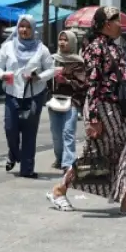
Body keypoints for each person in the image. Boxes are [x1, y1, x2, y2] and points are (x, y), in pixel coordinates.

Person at [48, 6, 126, 216]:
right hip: (103, 107)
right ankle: (60, 191)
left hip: (118, 108)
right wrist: (93, 118)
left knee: (120, 151)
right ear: (106, 24)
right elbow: (92, 85)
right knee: (103, 152)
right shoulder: (94, 48)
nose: (120, 24)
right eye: (116, 20)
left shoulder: (115, 47)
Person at [0, 14, 54, 178]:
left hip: (34, 94)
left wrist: (38, 77)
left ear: (33, 29)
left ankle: (27, 169)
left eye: (28, 27)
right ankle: (14, 153)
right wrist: (3, 75)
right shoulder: (7, 47)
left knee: (29, 131)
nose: (24, 30)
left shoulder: (41, 49)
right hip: (12, 92)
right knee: (10, 128)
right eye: (21, 26)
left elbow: (51, 69)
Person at [48, 28, 87, 171]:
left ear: (71, 42)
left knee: (68, 132)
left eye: (66, 40)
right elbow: (45, 79)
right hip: (54, 101)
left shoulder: (78, 62)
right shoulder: (53, 60)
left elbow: (83, 84)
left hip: (72, 101)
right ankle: (59, 158)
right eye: (60, 39)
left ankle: (68, 163)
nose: (62, 42)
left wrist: (67, 81)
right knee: (56, 134)